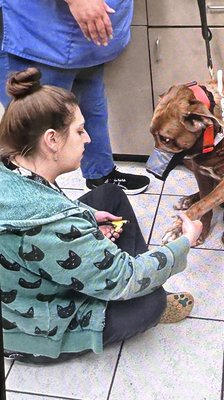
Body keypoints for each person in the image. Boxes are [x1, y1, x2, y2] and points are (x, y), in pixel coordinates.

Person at [0, 68, 203, 364]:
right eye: (80, 131)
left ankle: (110, 272)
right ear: (52, 140)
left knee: (110, 195)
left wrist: (88, 217)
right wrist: (184, 242)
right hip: (31, 329)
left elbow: (48, 205)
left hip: (27, 285)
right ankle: (136, 289)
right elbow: (123, 275)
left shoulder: (11, 164)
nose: (89, 139)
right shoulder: (53, 225)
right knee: (149, 304)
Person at [0, 0, 150, 194]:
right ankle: (34, 196)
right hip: (44, 34)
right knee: (35, 126)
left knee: (91, 109)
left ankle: (100, 174)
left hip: (89, 40)